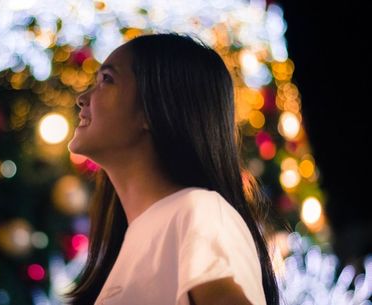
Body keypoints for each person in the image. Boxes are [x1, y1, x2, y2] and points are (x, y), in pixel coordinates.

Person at [64, 32, 280, 305]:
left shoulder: (198, 210)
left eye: (107, 79)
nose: (83, 98)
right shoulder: (136, 241)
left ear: (155, 107)